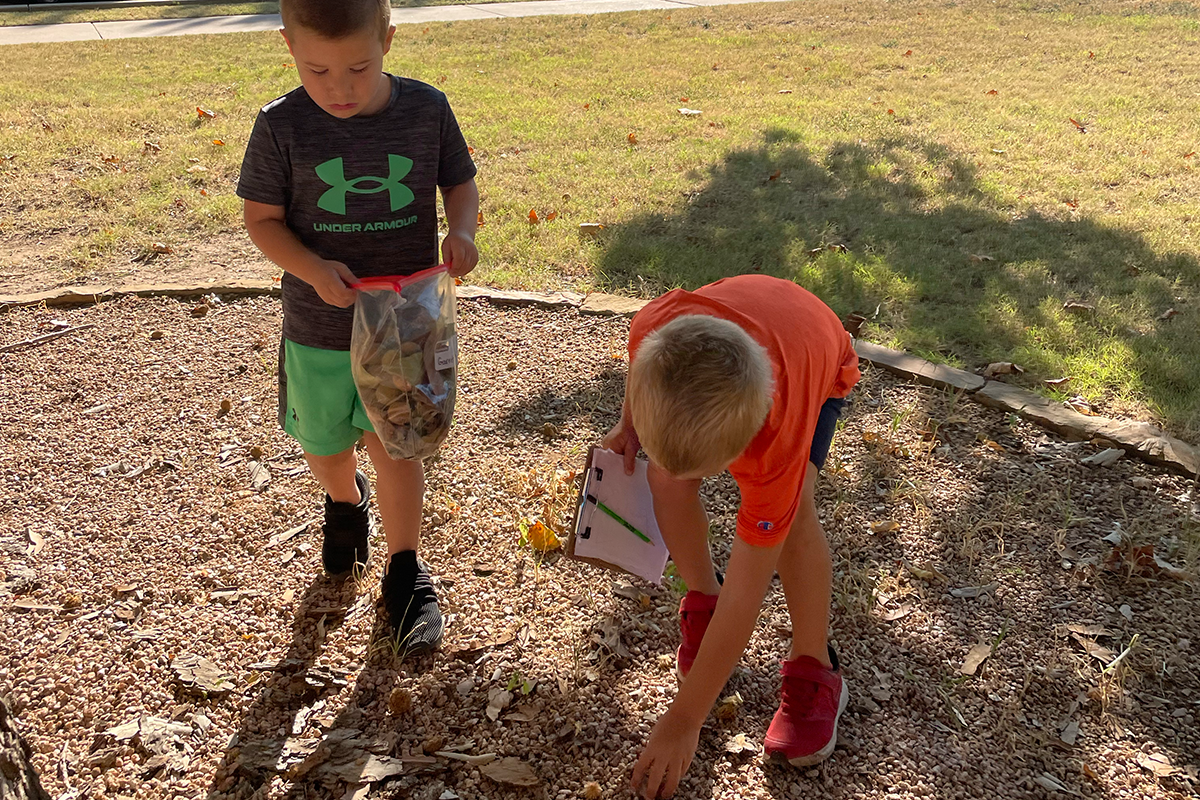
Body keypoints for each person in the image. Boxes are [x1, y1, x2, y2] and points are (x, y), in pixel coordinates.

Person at [236, 0, 479, 653]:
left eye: (358, 68)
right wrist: (312, 267)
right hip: (319, 326)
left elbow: (459, 182)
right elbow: (262, 220)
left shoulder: (426, 110)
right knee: (323, 444)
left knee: (397, 442)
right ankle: (346, 500)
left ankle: (406, 572)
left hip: (405, 324)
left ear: (388, 40)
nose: (338, 88)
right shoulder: (281, 126)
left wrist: (461, 231)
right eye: (317, 69)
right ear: (287, 45)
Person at [600, 275, 860, 798]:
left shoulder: (773, 444)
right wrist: (631, 425)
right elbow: (639, 370)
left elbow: (748, 594)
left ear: (741, 452)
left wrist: (683, 719)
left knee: (795, 521)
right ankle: (701, 596)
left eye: (706, 470)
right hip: (744, 328)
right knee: (663, 478)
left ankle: (816, 664)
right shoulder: (655, 330)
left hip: (816, 356)